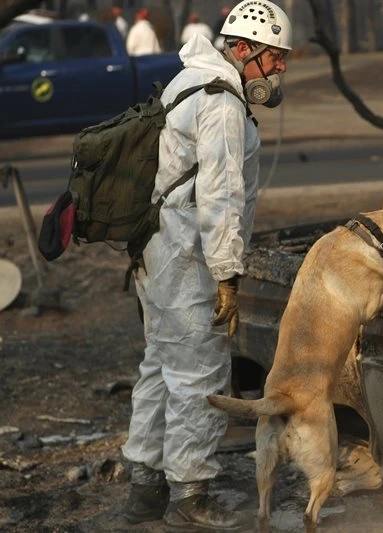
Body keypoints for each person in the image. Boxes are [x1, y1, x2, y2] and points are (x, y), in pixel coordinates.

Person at [120, 0, 290, 530]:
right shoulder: (219, 103)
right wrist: (227, 276)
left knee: (160, 368)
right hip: (188, 257)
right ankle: (190, 497)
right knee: (200, 374)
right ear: (242, 49)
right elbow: (219, 197)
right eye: (274, 57)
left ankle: (144, 490)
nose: (280, 68)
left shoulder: (189, 79)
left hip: (158, 250)